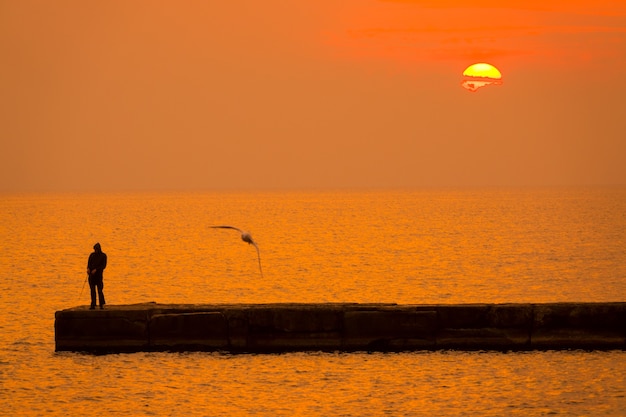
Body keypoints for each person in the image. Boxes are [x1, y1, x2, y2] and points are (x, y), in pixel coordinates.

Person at [87, 242, 107, 309]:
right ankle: (93, 304)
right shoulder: (92, 255)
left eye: (96, 249)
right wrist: (88, 269)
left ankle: (101, 304)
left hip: (98, 276)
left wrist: (96, 270)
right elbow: (89, 263)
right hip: (91, 276)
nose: (95, 251)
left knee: (99, 290)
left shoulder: (103, 256)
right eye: (95, 249)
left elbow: (103, 266)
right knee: (92, 291)